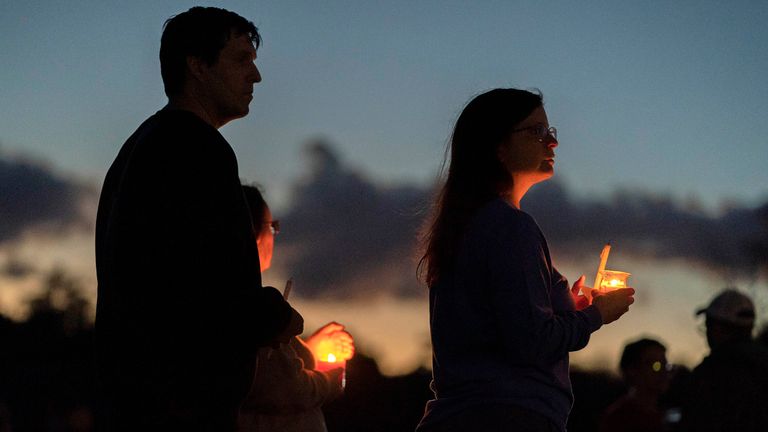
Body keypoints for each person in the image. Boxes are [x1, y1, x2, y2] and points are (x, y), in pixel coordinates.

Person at [95, 7, 302, 431]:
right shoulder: (195, 147)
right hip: (180, 408)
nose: (256, 76)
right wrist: (279, 318)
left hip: (135, 401)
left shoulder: (138, 147)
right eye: (241, 59)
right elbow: (212, 287)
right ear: (198, 66)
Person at [416, 88, 635, 432]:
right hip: (505, 417)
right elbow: (532, 341)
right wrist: (596, 314)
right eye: (536, 131)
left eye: (550, 132)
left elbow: (504, 324)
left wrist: (568, 307)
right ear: (497, 146)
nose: (552, 143)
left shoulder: (468, 225)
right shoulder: (509, 227)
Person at [237, 185, 353, 432]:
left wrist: (310, 349)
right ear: (254, 235)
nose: (273, 236)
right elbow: (286, 387)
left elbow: (274, 367)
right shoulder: (249, 309)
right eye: (272, 227)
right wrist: (332, 377)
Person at [679, 289, 768, 431]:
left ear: (718, 328)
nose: (706, 333)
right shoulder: (762, 364)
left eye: (708, 325)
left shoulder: (710, 372)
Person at [600, 338, 671, 432]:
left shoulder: (666, 414)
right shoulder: (620, 419)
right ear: (632, 370)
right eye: (655, 365)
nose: (663, 371)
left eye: (665, 365)